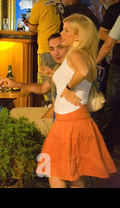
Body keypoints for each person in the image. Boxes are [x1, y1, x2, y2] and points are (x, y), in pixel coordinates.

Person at [36, 14, 116, 188]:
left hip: (69, 122)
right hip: (74, 120)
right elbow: (79, 72)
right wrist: (54, 75)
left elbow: (82, 71)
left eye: (66, 30)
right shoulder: (81, 54)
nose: (62, 33)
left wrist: (67, 88)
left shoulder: (76, 53)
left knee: (54, 171)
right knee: (72, 175)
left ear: (78, 36)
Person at [0, 33, 68, 136]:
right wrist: (16, 84)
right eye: (52, 49)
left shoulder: (69, 67)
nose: (56, 53)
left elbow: (59, 105)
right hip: (55, 110)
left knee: (34, 127)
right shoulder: (58, 67)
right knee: (14, 113)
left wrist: (41, 120)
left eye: (60, 47)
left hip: (65, 117)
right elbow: (42, 88)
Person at [23, 0, 64, 104]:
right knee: (58, 81)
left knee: (46, 86)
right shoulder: (58, 2)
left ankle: (49, 111)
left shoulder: (39, 5)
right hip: (62, 49)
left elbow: (32, 29)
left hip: (47, 49)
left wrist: (29, 24)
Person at [97, 2, 120, 155]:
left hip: (119, 64)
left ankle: (105, 145)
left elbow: (109, 43)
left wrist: (95, 62)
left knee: (112, 103)